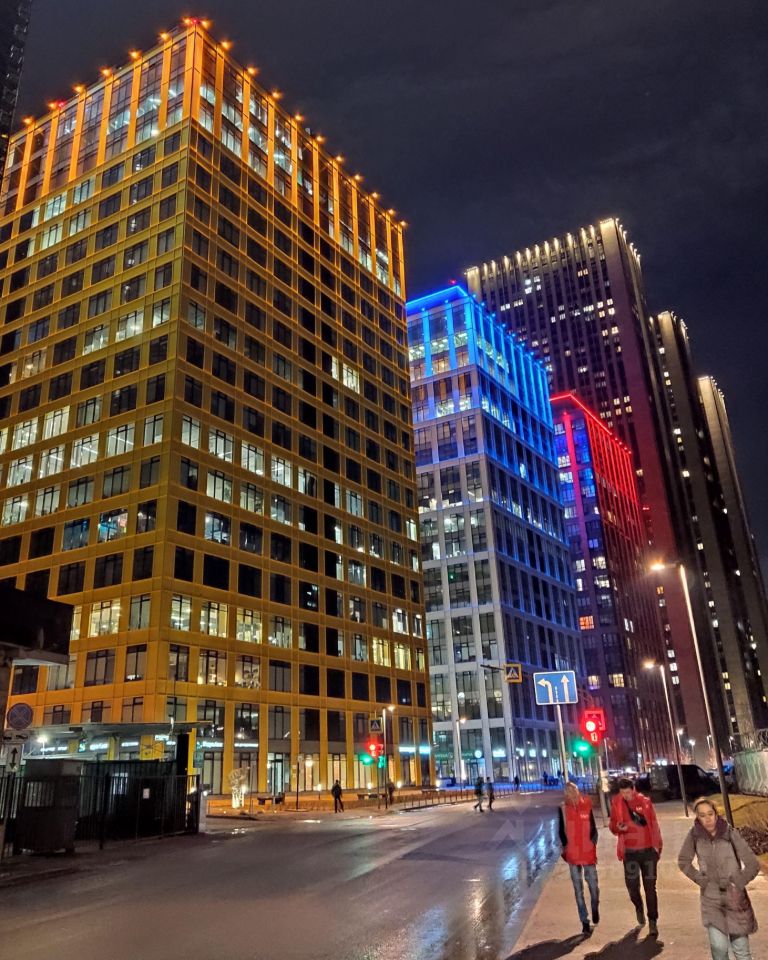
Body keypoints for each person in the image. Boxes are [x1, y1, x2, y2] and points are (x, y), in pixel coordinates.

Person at [678, 797, 759, 960]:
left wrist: (739, 882)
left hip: (735, 900)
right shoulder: (695, 835)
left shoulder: (729, 833)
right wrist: (701, 880)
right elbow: (683, 861)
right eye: (702, 815)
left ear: (716, 814)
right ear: (697, 818)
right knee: (719, 948)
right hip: (711, 900)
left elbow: (752, 864)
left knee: (741, 951)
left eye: (710, 814)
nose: (708, 819)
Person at [609, 777, 663, 936]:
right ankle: (638, 907)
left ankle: (653, 921)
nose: (626, 796)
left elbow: (654, 824)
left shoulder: (645, 802)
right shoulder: (616, 803)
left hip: (648, 852)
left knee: (650, 888)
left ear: (633, 789)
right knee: (632, 886)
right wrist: (617, 828)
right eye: (623, 793)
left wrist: (658, 847)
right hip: (630, 853)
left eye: (628, 792)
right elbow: (612, 825)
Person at [559, 781, 600, 935]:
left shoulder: (586, 805)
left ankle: (595, 907)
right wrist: (566, 848)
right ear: (566, 794)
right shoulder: (563, 809)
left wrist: (592, 845)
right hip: (573, 856)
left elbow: (594, 829)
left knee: (594, 888)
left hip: (588, 854)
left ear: (578, 791)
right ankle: (584, 921)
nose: (572, 794)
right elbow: (561, 832)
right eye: (569, 792)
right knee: (578, 891)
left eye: (574, 790)